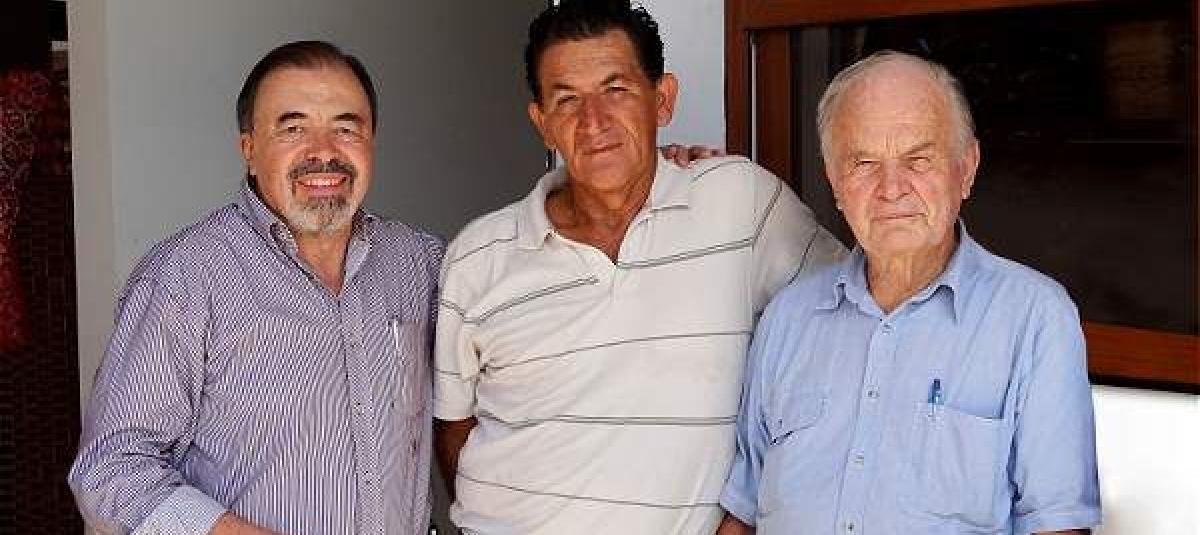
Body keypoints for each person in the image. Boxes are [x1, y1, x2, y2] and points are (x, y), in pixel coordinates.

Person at [431, 1, 845, 533]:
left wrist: (747, 506)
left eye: (616, 89)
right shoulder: (476, 254)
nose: (593, 122)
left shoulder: (738, 203)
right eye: (567, 99)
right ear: (543, 124)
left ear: (662, 99)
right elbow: (455, 425)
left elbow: (845, 327)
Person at [719, 51, 1102, 534]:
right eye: (864, 163)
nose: (891, 189)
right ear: (835, 182)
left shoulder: (1035, 319)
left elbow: (1058, 526)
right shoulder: (787, 318)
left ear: (966, 169)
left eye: (918, 160)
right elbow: (744, 514)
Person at [68, 41, 442, 535]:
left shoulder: (419, 263)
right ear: (249, 150)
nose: (324, 152)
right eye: (293, 128)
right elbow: (110, 470)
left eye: (346, 128)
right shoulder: (185, 277)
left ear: (371, 141)